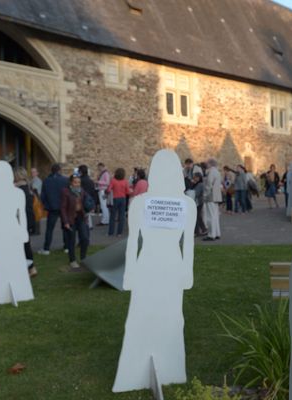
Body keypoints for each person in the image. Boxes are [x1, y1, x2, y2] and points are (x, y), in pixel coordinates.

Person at [112, 149, 196, 392]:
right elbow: (186, 244)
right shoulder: (180, 204)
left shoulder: (145, 203)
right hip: (165, 262)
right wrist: (186, 272)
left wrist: (130, 273)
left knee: (166, 316)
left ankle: (170, 366)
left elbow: (133, 244)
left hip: (151, 262)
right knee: (147, 315)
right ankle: (140, 366)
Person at [0, 161, 34, 306]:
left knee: (12, 261)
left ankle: (19, 290)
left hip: (4, 229)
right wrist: (23, 233)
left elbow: (21, 215)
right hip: (6, 229)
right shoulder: (15, 193)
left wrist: (24, 233)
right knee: (2, 262)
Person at [61, 174, 90, 270]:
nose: (77, 184)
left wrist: (90, 206)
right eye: (75, 182)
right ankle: (72, 260)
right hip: (70, 219)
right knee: (71, 240)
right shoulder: (65, 192)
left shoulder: (82, 191)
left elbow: (87, 201)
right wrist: (65, 221)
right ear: (71, 182)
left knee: (85, 238)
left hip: (81, 217)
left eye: (79, 182)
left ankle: (83, 258)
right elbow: (63, 208)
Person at [38, 163, 69, 255]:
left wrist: (46, 205)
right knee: (65, 227)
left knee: (49, 229)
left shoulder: (46, 181)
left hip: (52, 207)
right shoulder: (65, 180)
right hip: (63, 207)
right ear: (59, 170)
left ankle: (46, 248)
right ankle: (67, 247)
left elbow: (43, 196)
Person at [14, 167, 37, 277]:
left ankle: (30, 267)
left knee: (23, 245)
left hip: (20, 220)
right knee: (25, 244)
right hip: (28, 219)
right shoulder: (28, 187)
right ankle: (30, 267)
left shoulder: (18, 189)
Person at [107, 168, 131, 236]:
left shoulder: (113, 180)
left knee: (112, 216)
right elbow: (127, 191)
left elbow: (109, 190)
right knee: (121, 216)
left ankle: (111, 232)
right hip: (123, 199)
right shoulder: (125, 181)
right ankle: (119, 233)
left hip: (115, 199)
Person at [203, 158, 222, 241]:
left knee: (210, 216)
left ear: (210, 164)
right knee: (215, 216)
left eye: (207, 163)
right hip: (216, 196)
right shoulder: (217, 172)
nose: (206, 164)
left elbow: (209, 185)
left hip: (210, 196)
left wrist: (205, 195)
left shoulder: (211, 172)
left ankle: (211, 234)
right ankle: (217, 233)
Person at [192, 172, 207, 236]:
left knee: (196, 217)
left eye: (195, 177)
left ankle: (197, 231)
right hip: (198, 202)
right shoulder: (197, 184)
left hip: (199, 202)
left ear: (198, 178)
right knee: (198, 217)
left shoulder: (200, 184)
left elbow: (196, 193)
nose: (194, 178)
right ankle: (203, 230)